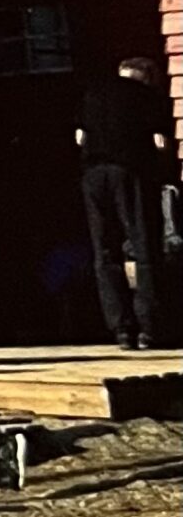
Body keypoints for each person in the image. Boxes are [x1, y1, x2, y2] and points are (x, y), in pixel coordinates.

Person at [75, 56, 172, 349]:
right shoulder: (146, 95)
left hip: (93, 174)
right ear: (146, 77)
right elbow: (160, 142)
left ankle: (121, 329)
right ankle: (149, 328)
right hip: (128, 171)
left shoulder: (93, 92)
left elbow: (80, 138)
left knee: (104, 251)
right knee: (143, 247)